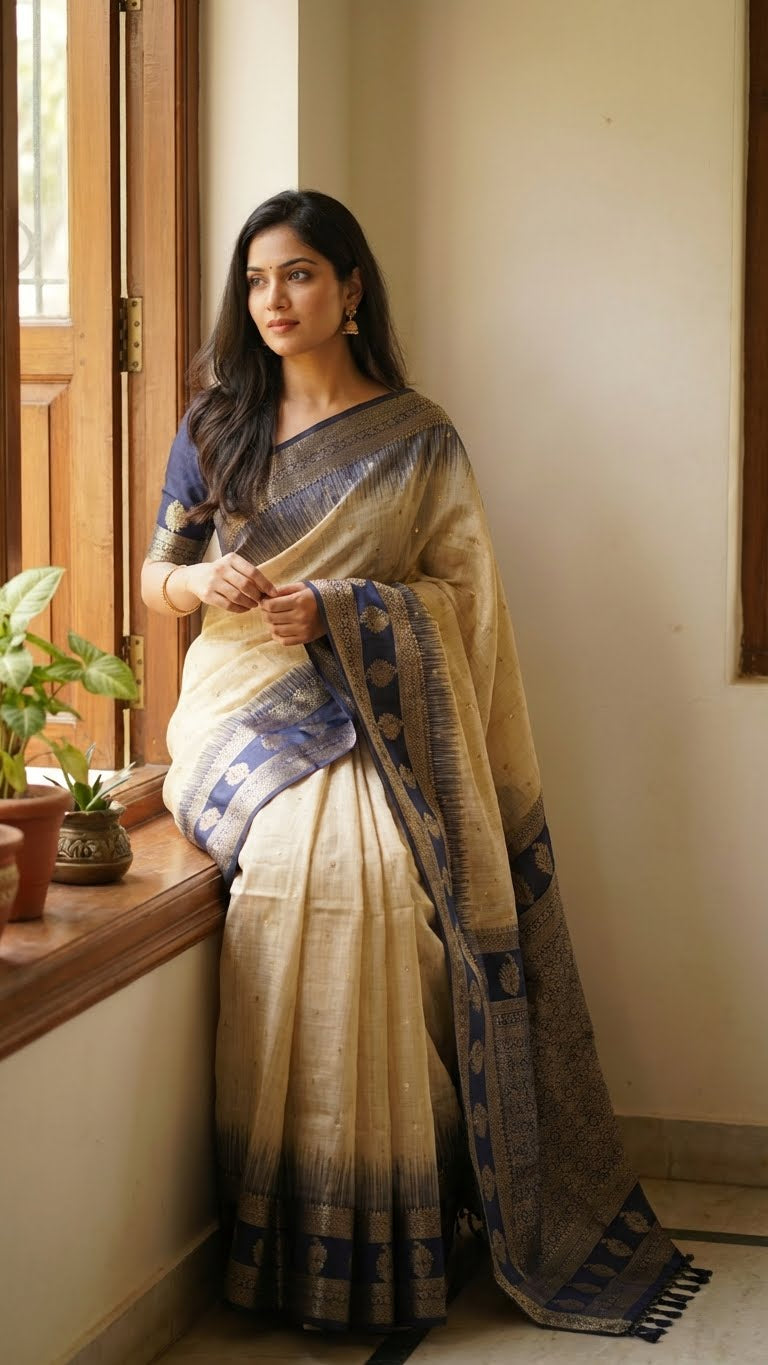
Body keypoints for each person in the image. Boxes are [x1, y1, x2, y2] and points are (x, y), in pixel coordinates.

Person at [141, 189, 709, 1341]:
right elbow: (157, 581)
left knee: (373, 884)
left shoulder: (419, 437)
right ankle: (293, 1222)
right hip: (237, 711)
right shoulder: (217, 424)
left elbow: (465, 605)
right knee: (317, 864)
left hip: (372, 708)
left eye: (299, 275)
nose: (274, 302)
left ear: (352, 289)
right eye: (256, 281)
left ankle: (385, 1225)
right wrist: (201, 586)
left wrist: (345, 612)